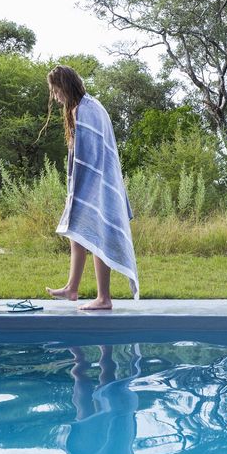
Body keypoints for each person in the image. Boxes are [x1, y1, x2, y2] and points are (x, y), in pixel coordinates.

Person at [43, 65, 139, 310]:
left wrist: (80, 190)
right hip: (94, 181)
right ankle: (72, 288)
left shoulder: (84, 110)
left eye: (56, 91)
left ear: (65, 87)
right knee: (78, 234)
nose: (55, 97)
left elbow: (89, 155)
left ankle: (103, 298)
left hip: (96, 183)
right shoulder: (88, 106)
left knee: (97, 236)